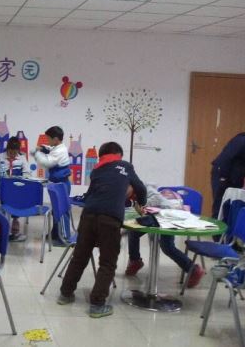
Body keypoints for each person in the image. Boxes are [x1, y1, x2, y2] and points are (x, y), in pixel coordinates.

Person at [57, 142, 146, 318]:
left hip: (88, 215)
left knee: (79, 257)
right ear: (118, 154)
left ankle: (65, 294)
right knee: (107, 262)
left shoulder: (97, 170)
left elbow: (92, 194)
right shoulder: (126, 166)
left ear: (101, 156)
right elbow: (141, 188)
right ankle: (97, 305)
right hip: (110, 219)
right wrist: (141, 204)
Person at [125, 185, 205, 288]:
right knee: (133, 231)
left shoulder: (145, 188)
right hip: (153, 218)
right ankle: (135, 260)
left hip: (168, 216)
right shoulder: (126, 195)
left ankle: (193, 269)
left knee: (167, 247)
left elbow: (156, 198)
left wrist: (140, 205)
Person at [0, 136, 30, 242]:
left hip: (17, 188)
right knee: (4, 206)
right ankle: (2, 229)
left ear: (18, 151)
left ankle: (15, 228)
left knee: (15, 204)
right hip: (5, 187)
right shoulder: (0, 157)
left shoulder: (22, 158)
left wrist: (22, 176)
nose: (12, 155)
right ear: (7, 149)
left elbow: (27, 173)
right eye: (10, 152)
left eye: (15, 152)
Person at [33, 126, 71, 242]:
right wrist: (43, 148)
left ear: (55, 139)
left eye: (48, 139)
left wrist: (37, 153)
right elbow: (50, 149)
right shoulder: (58, 147)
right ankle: (56, 234)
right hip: (56, 184)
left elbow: (47, 162)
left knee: (62, 211)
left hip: (61, 185)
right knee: (56, 211)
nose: (47, 141)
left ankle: (64, 237)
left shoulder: (60, 151)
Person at [211, 132, 245, 219]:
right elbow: (226, 158)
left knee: (230, 210)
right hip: (223, 176)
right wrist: (223, 177)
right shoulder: (241, 140)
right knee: (219, 209)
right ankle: (217, 227)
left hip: (231, 178)